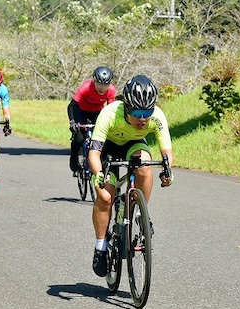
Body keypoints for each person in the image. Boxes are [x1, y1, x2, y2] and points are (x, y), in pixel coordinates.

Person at [87, 75, 174, 278]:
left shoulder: (157, 117)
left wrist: (168, 171)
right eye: (137, 112)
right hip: (108, 149)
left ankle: (137, 212)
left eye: (147, 112)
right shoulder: (109, 114)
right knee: (106, 197)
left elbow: (166, 151)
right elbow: (94, 153)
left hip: (133, 145)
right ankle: (100, 246)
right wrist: (99, 174)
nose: (143, 118)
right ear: (126, 108)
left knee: (144, 163)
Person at [67, 66, 117, 175]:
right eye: (99, 84)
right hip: (80, 111)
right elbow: (71, 106)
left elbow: (110, 110)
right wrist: (72, 122)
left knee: (100, 139)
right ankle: (74, 156)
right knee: (79, 138)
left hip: (97, 112)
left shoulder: (111, 91)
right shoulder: (86, 87)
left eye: (105, 85)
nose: (102, 88)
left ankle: (100, 163)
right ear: (94, 81)